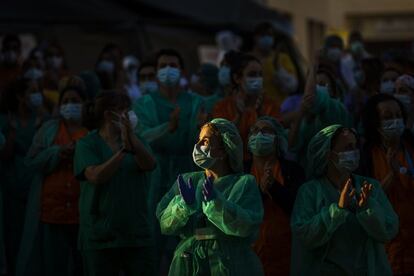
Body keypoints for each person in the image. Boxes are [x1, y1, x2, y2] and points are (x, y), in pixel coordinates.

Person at [157, 118, 264, 276]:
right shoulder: (188, 181)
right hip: (188, 262)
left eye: (205, 141)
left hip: (229, 264)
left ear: (223, 150)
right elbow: (165, 225)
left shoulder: (243, 183)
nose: (198, 146)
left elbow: (246, 226)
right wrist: (182, 207)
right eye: (198, 140)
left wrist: (217, 204)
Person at [291, 124, 398, 276]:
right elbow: (305, 236)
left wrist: (367, 209)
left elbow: (388, 230)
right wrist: (337, 210)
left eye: (355, 146)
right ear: (327, 153)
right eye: (347, 147)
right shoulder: (310, 191)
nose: (354, 152)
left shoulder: (369, 187)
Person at [133, 49, 204, 273]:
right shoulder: (144, 104)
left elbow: (201, 139)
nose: (168, 70)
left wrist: (199, 126)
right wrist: (168, 128)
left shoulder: (195, 102)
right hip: (154, 177)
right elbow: (141, 137)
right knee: (152, 241)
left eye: (172, 65)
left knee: (188, 241)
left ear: (182, 70)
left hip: (188, 174)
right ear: (155, 72)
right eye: (163, 66)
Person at [74, 91, 156, 276]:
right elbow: (95, 176)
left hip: (136, 235)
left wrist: (131, 139)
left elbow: (149, 164)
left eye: (129, 110)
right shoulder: (88, 144)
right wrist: (122, 153)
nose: (129, 115)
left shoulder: (137, 142)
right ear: (108, 115)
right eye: (123, 111)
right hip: (100, 236)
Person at [17, 83, 88, 276]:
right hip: (51, 211)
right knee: (53, 266)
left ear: (85, 104)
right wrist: (56, 152)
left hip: (82, 214)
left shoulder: (91, 132)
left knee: (82, 265)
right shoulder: (49, 130)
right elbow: (30, 161)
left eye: (75, 101)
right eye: (65, 101)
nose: (70, 105)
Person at [0, 77, 49, 275]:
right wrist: (12, 130)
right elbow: (5, 155)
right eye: (32, 91)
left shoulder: (43, 121)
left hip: (35, 186)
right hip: (11, 185)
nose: (37, 95)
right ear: (21, 95)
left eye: (39, 91)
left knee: (32, 236)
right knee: (12, 234)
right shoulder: (5, 121)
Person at [361, 93, 414, 275]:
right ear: (375, 123)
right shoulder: (366, 155)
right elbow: (366, 201)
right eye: (387, 117)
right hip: (385, 241)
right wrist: (392, 174)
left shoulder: (411, 146)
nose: (395, 121)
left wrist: (404, 171)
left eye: (398, 115)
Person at [247, 117, 305, 275]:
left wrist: (274, 188)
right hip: (249, 254)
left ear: (278, 139)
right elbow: (239, 209)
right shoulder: (241, 170)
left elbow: (299, 208)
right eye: (254, 131)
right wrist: (261, 191)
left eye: (265, 131)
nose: (259, 134)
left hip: (285, 254)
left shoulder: (292, 171)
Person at [212, 53, 280, 162]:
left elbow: (278, 141)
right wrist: (238, 117)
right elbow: (220, 141)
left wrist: (261, 116)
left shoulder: (270, 105)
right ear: (237, 78)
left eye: (260, 74)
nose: (257, 79)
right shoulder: (223, 106)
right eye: (252, 74)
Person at [288, 54, 352, 168]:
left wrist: (312, 69)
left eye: (321, 84)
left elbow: (311, 96)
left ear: (332, 91)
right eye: (314, 84)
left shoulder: (337, 108)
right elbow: (292, 145)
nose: (316, 88)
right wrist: (300, 115)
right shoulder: (307, 118)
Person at [251, 22, 299, 104]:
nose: (267, 38)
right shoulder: (248, 59)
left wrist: (279, 70)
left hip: (280, 109)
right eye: (263, 35)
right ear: (256, 37)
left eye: (270, 35)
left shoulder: (282, 58)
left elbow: (292, 86)